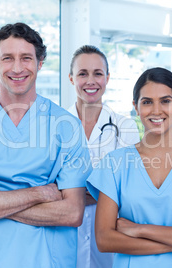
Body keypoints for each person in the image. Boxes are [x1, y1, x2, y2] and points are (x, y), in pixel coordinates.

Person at [0, 22, 92, 268]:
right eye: (8, 58)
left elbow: (72, 213)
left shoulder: (67, 126)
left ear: (39, 63)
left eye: (26, 58)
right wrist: (40, 193)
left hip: (48, 260)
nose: (18, 68)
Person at [86, 67, 172, 267]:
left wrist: (141, 230)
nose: (156, 110)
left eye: (165, 101)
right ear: (136, 107)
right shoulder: (114, 164)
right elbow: (104, 240)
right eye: (147, 102)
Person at [68, 45, 140, 268]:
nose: (91, 81)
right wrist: (103, 189)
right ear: (71, 78)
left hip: (112, 235)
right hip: (66, 235)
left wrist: (68, 192)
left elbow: (127, 188)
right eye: (83, 74)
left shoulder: (124, 126)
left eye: (97, 73)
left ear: (107, 78)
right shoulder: (56, 126)